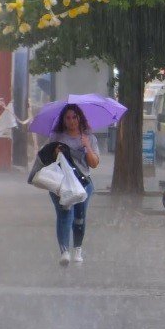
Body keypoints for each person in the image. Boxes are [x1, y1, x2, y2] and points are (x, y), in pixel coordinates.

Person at [47, 104, 100, 265]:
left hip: (83, 183)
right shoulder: (56, 137)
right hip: (61, 183)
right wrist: (54, 153)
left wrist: (87, 147)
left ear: (80, 118)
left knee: (79, 218)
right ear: (63, 120)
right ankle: (64, 252)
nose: (71, 121)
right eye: (68, 118)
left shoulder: (89, 137)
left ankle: (77, 249)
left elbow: (94, 163)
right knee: (64, 215)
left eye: (74, 117)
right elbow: (47, 160)